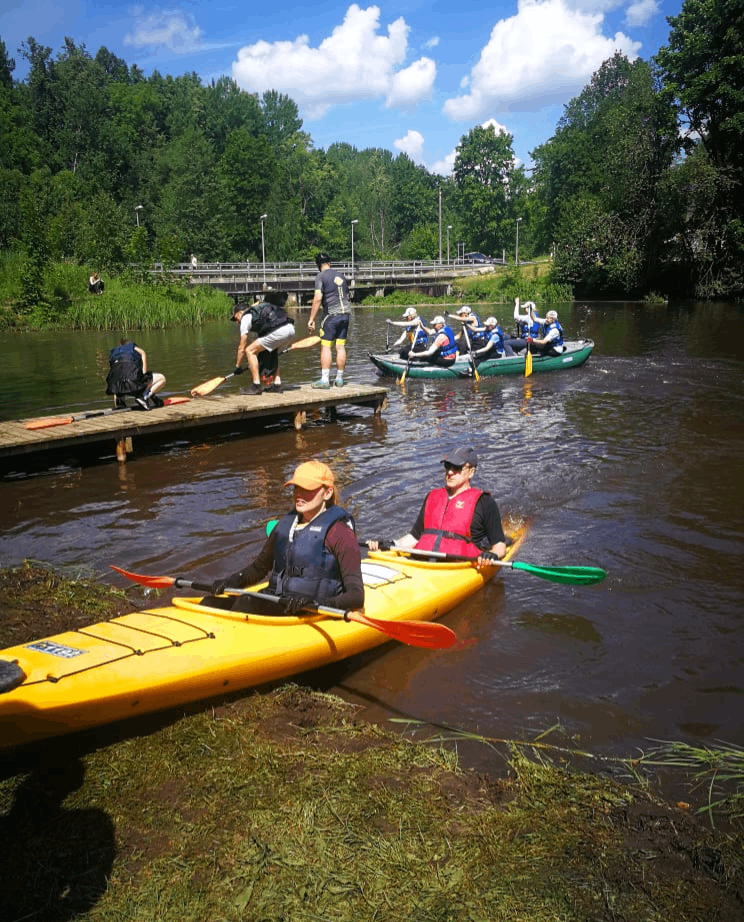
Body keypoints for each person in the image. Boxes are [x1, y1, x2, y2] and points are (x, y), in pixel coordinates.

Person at [202, 460, 365, 615]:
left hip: (310, 609)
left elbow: (356, 596)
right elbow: (258, 569)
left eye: (307, 489)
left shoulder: (340, 533)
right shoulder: (285, 525)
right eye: (296, 488)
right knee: (209, 602)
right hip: (278, 601)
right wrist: (231, 581)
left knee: (246, 603)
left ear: (327, 493)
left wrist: (317, 603)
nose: (299, 495)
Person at [367, 447, 507, 565]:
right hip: (421, 562)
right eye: (447, 466)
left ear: (471, 471)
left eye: (457, 467)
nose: (450, 472)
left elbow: (500, 546)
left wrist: (492, 555)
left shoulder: (485, 503)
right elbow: (414, 537)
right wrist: (391, 545)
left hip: (458, 566)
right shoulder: (432, 497)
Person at [231, 296, 295, 394]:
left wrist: (238, 366)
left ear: (240, 313)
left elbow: (242, 347)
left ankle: (256, 386)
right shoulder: (258, 311)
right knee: (272, 352)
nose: (237, 322)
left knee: (250, 351)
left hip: (279, 330)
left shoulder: (245, 317)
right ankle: (277, 385)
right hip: (290, 328)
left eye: (236, 318)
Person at [307, 253, 351, 388]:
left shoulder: (320, 276)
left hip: (331, 315)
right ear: (329, 263)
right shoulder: (341, 275)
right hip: (346, 314)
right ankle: (339, 379)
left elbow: (318, 298)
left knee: (326, 346)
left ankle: (325, 380)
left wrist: (311, 319)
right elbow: (347, 295)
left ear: (318, 266)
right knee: (340, 346)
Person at [105, 339, 166, 410]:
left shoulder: (113, 353)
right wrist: (144, 376)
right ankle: (144, 397)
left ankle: (120, 403)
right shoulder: (134, 348)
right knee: (162, 378)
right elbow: (143, 355)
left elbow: (115, 374)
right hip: (133, 384)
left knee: (117, 379)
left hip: (115, 387)